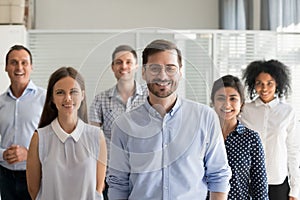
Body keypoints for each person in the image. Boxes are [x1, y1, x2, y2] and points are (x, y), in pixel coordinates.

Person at [107, 39, 231, 200]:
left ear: (180, 71)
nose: (162, 75)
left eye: (170, 68)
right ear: (143, 72)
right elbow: (118, 184)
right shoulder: (123, 125)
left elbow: (218, 175)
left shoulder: (205, 117)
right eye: (154, 68)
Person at [26, 67, 107, 200]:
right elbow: (34, 190)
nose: (68, 98)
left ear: (82, 95)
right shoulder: (39, 138)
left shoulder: (96, 136)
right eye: (60, 92)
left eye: (73, 92)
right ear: (52, 98)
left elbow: (98, 189)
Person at [89, 45, 148, 199]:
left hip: (143, 174)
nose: (124, 66)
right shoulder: (100, 100)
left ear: (136, 66)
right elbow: (93, 140)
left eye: (129, 62)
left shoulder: (150, 97)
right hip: (111, 175)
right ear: (113, 67)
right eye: (119, 62)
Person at [239, 60, 300, 200]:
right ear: (253, 84)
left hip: (277, 181)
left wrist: (296, 189)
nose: (264, 88)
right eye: (259, 83)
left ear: (277, 83)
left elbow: (293, 150)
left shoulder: (288, 112)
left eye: (269, 83)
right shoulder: (245, 110)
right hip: (249, 181)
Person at [211, 75, 268, 199]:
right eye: (221, 98)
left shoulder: (251, 139)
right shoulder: (203, 136)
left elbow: (260, 187)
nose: (227, 104)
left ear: (241, 103)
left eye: (233, 99)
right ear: (213, 102)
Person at [0, 45, 46, 200]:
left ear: (31, 67)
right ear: (6, 67)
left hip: (35, 173)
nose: (19, 67)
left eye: (24, 63)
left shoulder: (45, 99)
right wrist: (3, 154)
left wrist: (29, 154)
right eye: (13, 62)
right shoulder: (0, 102)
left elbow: (54, 139)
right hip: (5, 177)